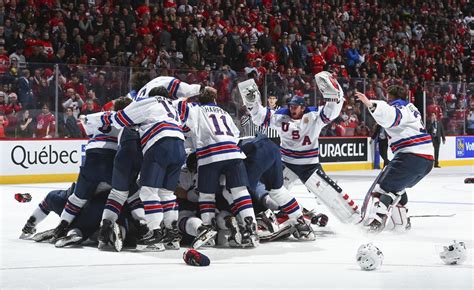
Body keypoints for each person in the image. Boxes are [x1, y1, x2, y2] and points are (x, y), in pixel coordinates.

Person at [247, 71, 360, 224]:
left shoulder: (314, 115)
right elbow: (260, 117)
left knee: (329, 195)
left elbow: (331, 112)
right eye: (291, 106)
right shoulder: (281, 115)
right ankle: (293, 212)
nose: (292, 109)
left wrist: (335, 98)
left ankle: (355, 219)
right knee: (273, 192)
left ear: (303, 107)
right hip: (287, 163)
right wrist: (253, 105)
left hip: (309, 165)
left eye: (296, 107)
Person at [97, 86, 186, 251]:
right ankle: (172, 235)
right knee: (166, 193)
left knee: (142, 192)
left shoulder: (148, 102)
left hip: (153, 146)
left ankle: (152, 233)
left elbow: (119, 120)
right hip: (179, 145)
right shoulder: (173, 107)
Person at [177, 87, 259, 248]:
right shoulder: (225, 113)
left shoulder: (196, 109)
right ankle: (251, 229)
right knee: (240, 191)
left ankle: (209, 232)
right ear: (215, 100)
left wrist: (188, 93)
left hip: (209, 156)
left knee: (207, 196)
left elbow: (180, 108)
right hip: (233, 153)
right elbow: (236, 135)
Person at [355, 85, 434, 232]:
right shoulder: (412, 108)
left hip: (411, 156)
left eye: (388, 97)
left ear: (390, 97)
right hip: (426, 160)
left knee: (382, 189)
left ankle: (376, 222)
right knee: (398, 189)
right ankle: (402, 222)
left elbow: (391, 115)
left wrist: (371, 104)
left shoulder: (399, 106)